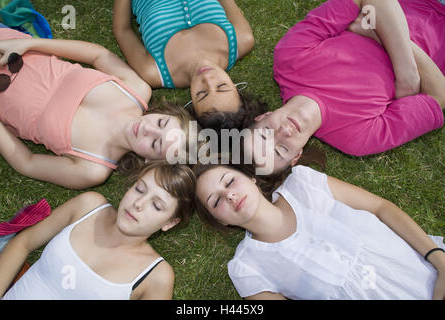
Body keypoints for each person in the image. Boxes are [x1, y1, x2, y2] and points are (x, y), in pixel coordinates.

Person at [244, 0, 445, 174]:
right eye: (281, 150)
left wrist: (406, 72)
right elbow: (439, 95)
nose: (284, 132)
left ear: (262, 116)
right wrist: (382, 38)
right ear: (296, 156)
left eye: (266, 133)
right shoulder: (357, 139)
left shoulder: (289, 58)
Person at [194, 163, 445, 299]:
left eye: (229, 181)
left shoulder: (305, 184)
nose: (229, 195)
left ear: (251, 178)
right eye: (215, 201)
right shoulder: (247, 269)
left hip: (431, 271)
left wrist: (439, 261)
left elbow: (381, 208)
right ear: (220, 221)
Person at [0, 22, 195, 189]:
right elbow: (98, 55)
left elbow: (27, 163)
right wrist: (27, 43)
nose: (147, 129)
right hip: (10, 43)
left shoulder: (91, 170)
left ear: (151, 161)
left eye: (155, 143)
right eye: (161, 123)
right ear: (165, 112)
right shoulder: (136, 90)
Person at [0, 161, 196, 300]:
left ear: (169, 223)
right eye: (139, 189)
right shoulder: (89, 206)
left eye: (157, 206)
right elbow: (23, 243)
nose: (138, 204)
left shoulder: (156, 276)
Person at [113, 0, 267, 131]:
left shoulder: (155, 71)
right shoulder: (241, 40)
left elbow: (123, 30)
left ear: (192, 103)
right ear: (235, 86)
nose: (207, 79)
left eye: (202, 93)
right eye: (222, 86)